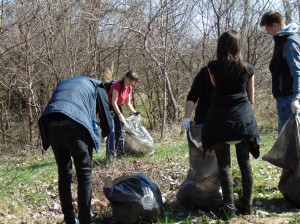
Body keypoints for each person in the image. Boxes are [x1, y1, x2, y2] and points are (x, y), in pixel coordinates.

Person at [201, 30, 260, 219]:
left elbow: (216, 86)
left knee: (224, 165)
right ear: (237, 46)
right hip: (243, 123)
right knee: (245, 162)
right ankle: (248, 206)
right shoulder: (248, 68)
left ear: (220, 46)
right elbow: (251, 99)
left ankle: (229, 209)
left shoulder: (212, 67)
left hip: (219, 123)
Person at [38, 76, 113, 224]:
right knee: (84, 175)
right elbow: (108, 122)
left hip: (51, 125)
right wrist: (105, 133)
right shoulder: (99, 87)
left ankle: (70, 220)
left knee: (64, 174)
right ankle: (85, 220)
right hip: (75, 127)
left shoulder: (69, 83)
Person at [260, 10, 300, 133]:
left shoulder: (289, 43)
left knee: (288, 141)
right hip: (285, 98)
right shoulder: (283, 41)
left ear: (275, 25)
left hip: (289, 98)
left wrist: (296, 98)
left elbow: (297, 71)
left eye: (268, 29)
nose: (268, 33)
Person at [106, 70, 139, 161]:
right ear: (125, 77)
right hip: (109, 108)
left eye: (133, 81)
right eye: (129, 80)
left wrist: (134, 112)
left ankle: (121, 153)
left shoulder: (129, 88)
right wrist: (120, 115)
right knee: (111, 131)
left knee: (120, 131)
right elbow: (113, 102)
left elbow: (128, 103)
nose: (130, 82)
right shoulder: (117, 85)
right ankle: (110, 156)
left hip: (118, 107)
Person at [181, 66, 214, 132]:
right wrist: (187, 118)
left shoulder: (237, 71)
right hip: (204, 119)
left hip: (226, 121)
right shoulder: (206, 72)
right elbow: (192, 95)